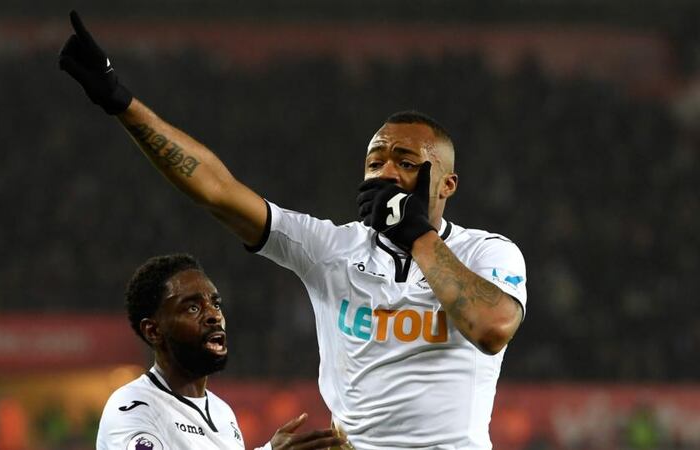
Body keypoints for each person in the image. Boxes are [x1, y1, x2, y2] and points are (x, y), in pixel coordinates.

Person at [60, 10, 528, 449]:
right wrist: (121, 103)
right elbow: (218, 190)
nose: (385, 173)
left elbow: (491, 328)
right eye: (374, 162)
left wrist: (418, 235)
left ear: (447, 184)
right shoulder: (332, 249)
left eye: (405, 163)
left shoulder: (488, 253)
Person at [97, 253, 345, 450]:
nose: (214, 316)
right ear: (153, 331)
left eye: (215, 304)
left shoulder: (222, 412)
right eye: (193, 308)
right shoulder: (132, 406)